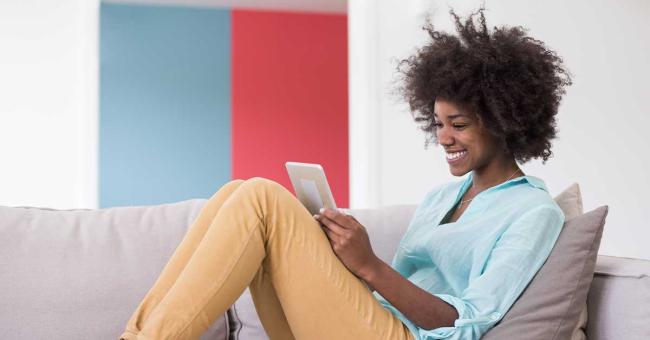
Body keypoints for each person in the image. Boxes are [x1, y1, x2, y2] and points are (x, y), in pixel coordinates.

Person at [119, 7, 571, 340]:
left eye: (459, 125)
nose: (444, 139)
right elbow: (388, 290)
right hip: (362, 322)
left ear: (504, 119)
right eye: (438, 124)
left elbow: (467, 322)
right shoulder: (441, 197)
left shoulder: (533, 213)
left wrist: (369, 265)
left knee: (260, 197)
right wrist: (336, 256)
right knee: (235, 192)